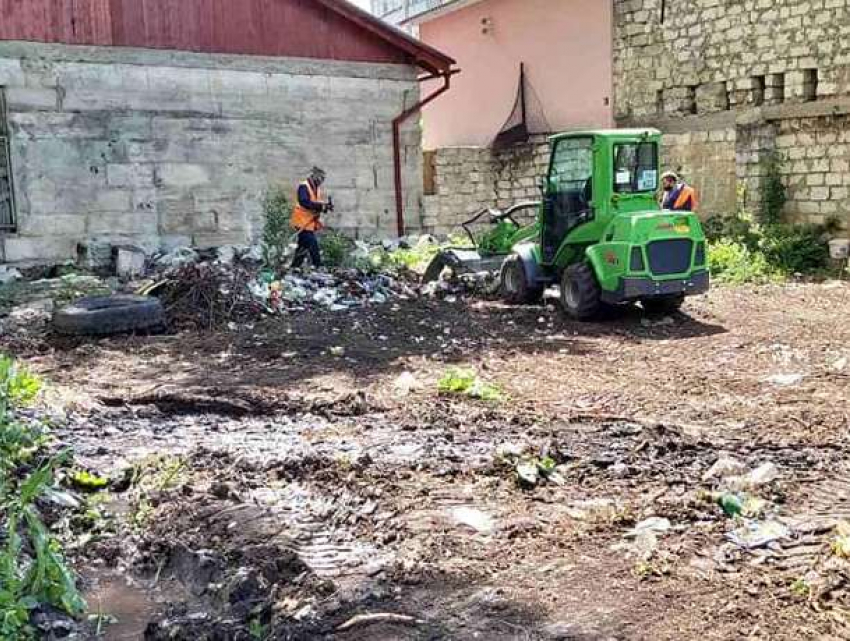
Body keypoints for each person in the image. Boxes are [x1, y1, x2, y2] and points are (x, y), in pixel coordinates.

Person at [290, 167, 333, 268]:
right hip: (301, 221)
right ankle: (318, 266)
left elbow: (315, 203)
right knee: (313, 244)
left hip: (308, 222)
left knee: (303, 246)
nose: (322, 181)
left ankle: (294, 267)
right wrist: (321, 206)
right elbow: (304, 202)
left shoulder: (316, 188)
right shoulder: (304, 186)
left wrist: (325, 207)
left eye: (323, 179)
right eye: (321, 178)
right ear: (315, 177)